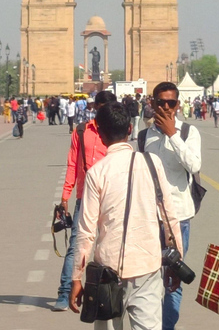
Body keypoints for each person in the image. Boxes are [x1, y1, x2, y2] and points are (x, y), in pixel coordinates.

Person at [69, 101, 183, 329]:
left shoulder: (96, 173)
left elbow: (86, 231)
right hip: (147, 266)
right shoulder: (152, 163)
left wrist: (76, 277)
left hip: (107, 273)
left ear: (99, 134)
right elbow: (170, 217)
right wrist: (176, 260)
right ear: (130, 129)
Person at [142, 82, 202, 330]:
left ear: (178, 105)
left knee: (173, 280)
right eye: (161, 102)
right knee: (148, 280)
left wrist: (172, 135)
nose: (166, 107)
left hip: (179, 217)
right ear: (152, 103)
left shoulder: (188, 132)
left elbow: (194, 166)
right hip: (149, 217)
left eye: (171, 103)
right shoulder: (143, 134)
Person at [52, 91, 115, 311]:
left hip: (111, 196)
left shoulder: (116, 132)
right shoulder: (81, 130)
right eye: (101, 107)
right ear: (95, 107)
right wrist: (65, 196)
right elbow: (72, 164)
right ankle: (65, 291)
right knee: (77, 246)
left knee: (110, 244)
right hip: (85, 196)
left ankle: (108, 293)